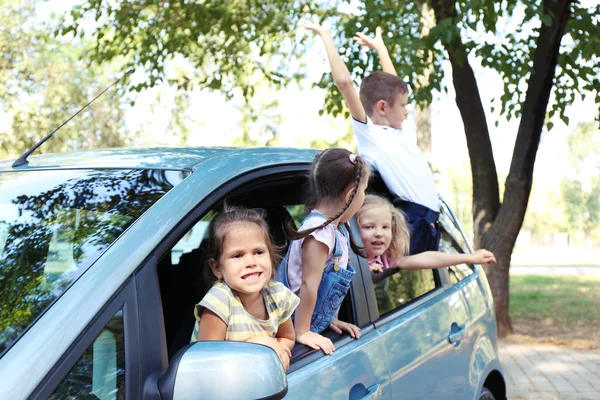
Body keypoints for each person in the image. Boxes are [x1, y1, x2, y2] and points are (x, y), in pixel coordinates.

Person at [302, 17, 440, 255]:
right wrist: (327, 38)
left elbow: (395, 86)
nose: (408, 111)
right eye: (404, 106)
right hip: (413, 221)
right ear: (383, 108)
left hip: (431, 222)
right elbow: (345, 84)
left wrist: (381, 50)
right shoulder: (370, 135)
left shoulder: (397, 132)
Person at [276, 148, 370, 355]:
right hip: (292, 323)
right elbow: (309, 284)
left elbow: (328, 284)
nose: (364, 197)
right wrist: (303, 331)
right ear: (350, 195)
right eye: (364, 190)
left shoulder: (337, 230)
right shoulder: (319, 232)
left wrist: (331, 319)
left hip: (314, 320)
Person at [191, 205, 299, 371]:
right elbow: (208, 364)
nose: (251, 262)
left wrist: (278, 349)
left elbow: (287, 337)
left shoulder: (277, 294)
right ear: (217, 268)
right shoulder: (219, 302)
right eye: (237, 255)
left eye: (259, 252)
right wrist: (261, 345)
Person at [356, 195, 496, 278]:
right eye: (369, 227)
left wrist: (469, 258)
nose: (379, 233)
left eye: (385, 227)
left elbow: (428, 258)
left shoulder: (387, 258)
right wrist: (362, 272)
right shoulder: (344, 258)